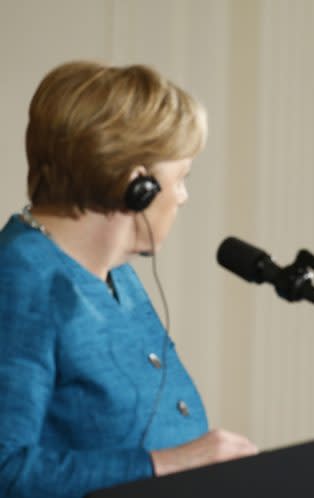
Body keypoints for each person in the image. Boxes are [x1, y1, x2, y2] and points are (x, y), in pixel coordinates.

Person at [0, 61, 257, 498]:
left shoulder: (118, 274)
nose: (183, 197)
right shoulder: (21, 278)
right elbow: (7, 470)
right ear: (137, 185)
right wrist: (168, 464)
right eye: (181, 178)